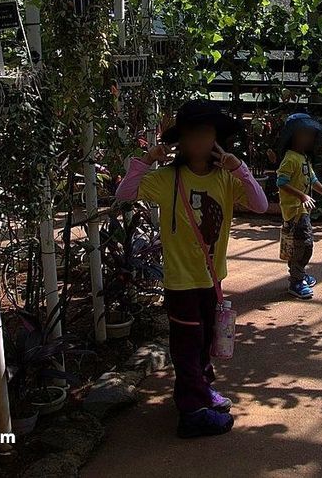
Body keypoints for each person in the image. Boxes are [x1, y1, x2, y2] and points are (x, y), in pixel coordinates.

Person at [115, 99, 268, 438]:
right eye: (192, 134)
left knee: (204, 342)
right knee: (187, 344)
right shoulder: (168, 178)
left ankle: (201, 390)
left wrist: (239, 168)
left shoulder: (226, 180)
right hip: (181, 281)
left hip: (212, 280)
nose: (199, 140)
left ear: (216, 138)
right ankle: (192, 412)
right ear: (180, 141)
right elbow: (124, 193)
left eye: (206, 133)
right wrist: (146, 161)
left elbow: (260, 205)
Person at [275, 113, 322, 300]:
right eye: (303, 134)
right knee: (303, 245)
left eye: (310, 135)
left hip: (303, 209)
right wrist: (302, 196)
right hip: (294, 210)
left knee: (301, 243)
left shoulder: (303, 157)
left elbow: (313, 179)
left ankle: (299, 274)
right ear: (292, 136)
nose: (308, 138)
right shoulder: (290, 157)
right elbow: (281, 181)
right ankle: (296, 280)